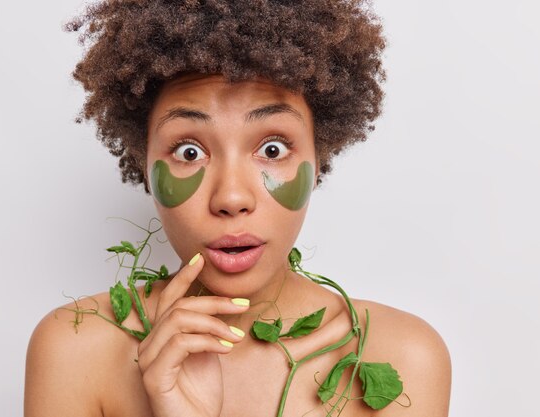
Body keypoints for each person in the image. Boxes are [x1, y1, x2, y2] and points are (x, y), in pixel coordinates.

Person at [24, 1, 451, 416]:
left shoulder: (403, 356)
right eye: (189, 152)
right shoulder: (77, 349)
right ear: (145, 164)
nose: (231, 198)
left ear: (317, 159)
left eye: (272, 148)